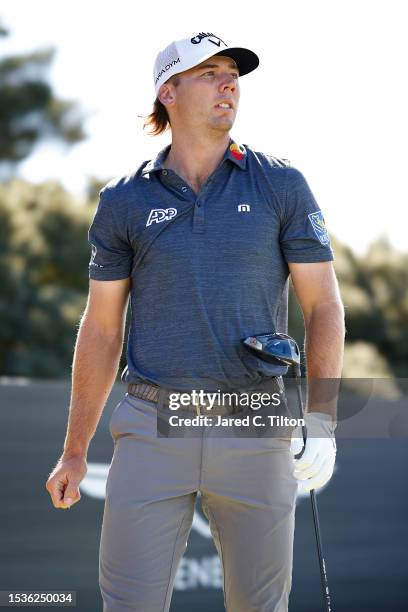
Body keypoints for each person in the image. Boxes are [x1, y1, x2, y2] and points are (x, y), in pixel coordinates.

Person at [46, 32, 345, 612]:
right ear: (169, 92)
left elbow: (324, 307)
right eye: (208, 72)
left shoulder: (281, 184)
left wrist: (324, 418)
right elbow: (103, 327)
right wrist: (75, 449)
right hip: (151, 423)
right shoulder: (124, 200)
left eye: (232, 73)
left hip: (255, 422)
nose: (228, 83)